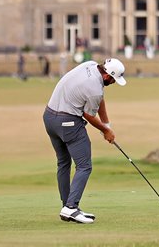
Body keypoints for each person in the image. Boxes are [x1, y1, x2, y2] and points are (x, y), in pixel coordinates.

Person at [43, 58, 126, 224]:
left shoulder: (89, 65)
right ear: (107, 76)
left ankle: (67, 206)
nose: (114, 83)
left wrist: (106, 124)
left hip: (49, 117)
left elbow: (98, 98)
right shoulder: (95, 89)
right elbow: (88, 115)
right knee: (84, 165)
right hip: (68, 122)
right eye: (114, 80)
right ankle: (71, 207)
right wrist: (105, 131)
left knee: (63, 163)